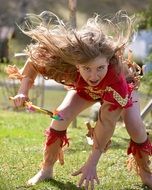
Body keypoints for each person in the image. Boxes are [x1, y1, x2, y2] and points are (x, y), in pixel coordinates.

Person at [7, 11, 152, 189]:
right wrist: (23, 92)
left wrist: (92, 162)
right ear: (76, 64)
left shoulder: (117, 81)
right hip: (86, 91)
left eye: (100, 68)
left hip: (118, 91)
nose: (94, 75)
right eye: (86, 68)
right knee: (61, 115)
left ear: (108, 62)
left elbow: (106, 123)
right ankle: (46, 169)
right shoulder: (65, 60)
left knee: (135, 126)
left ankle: (145, 173)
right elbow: (34, 61)